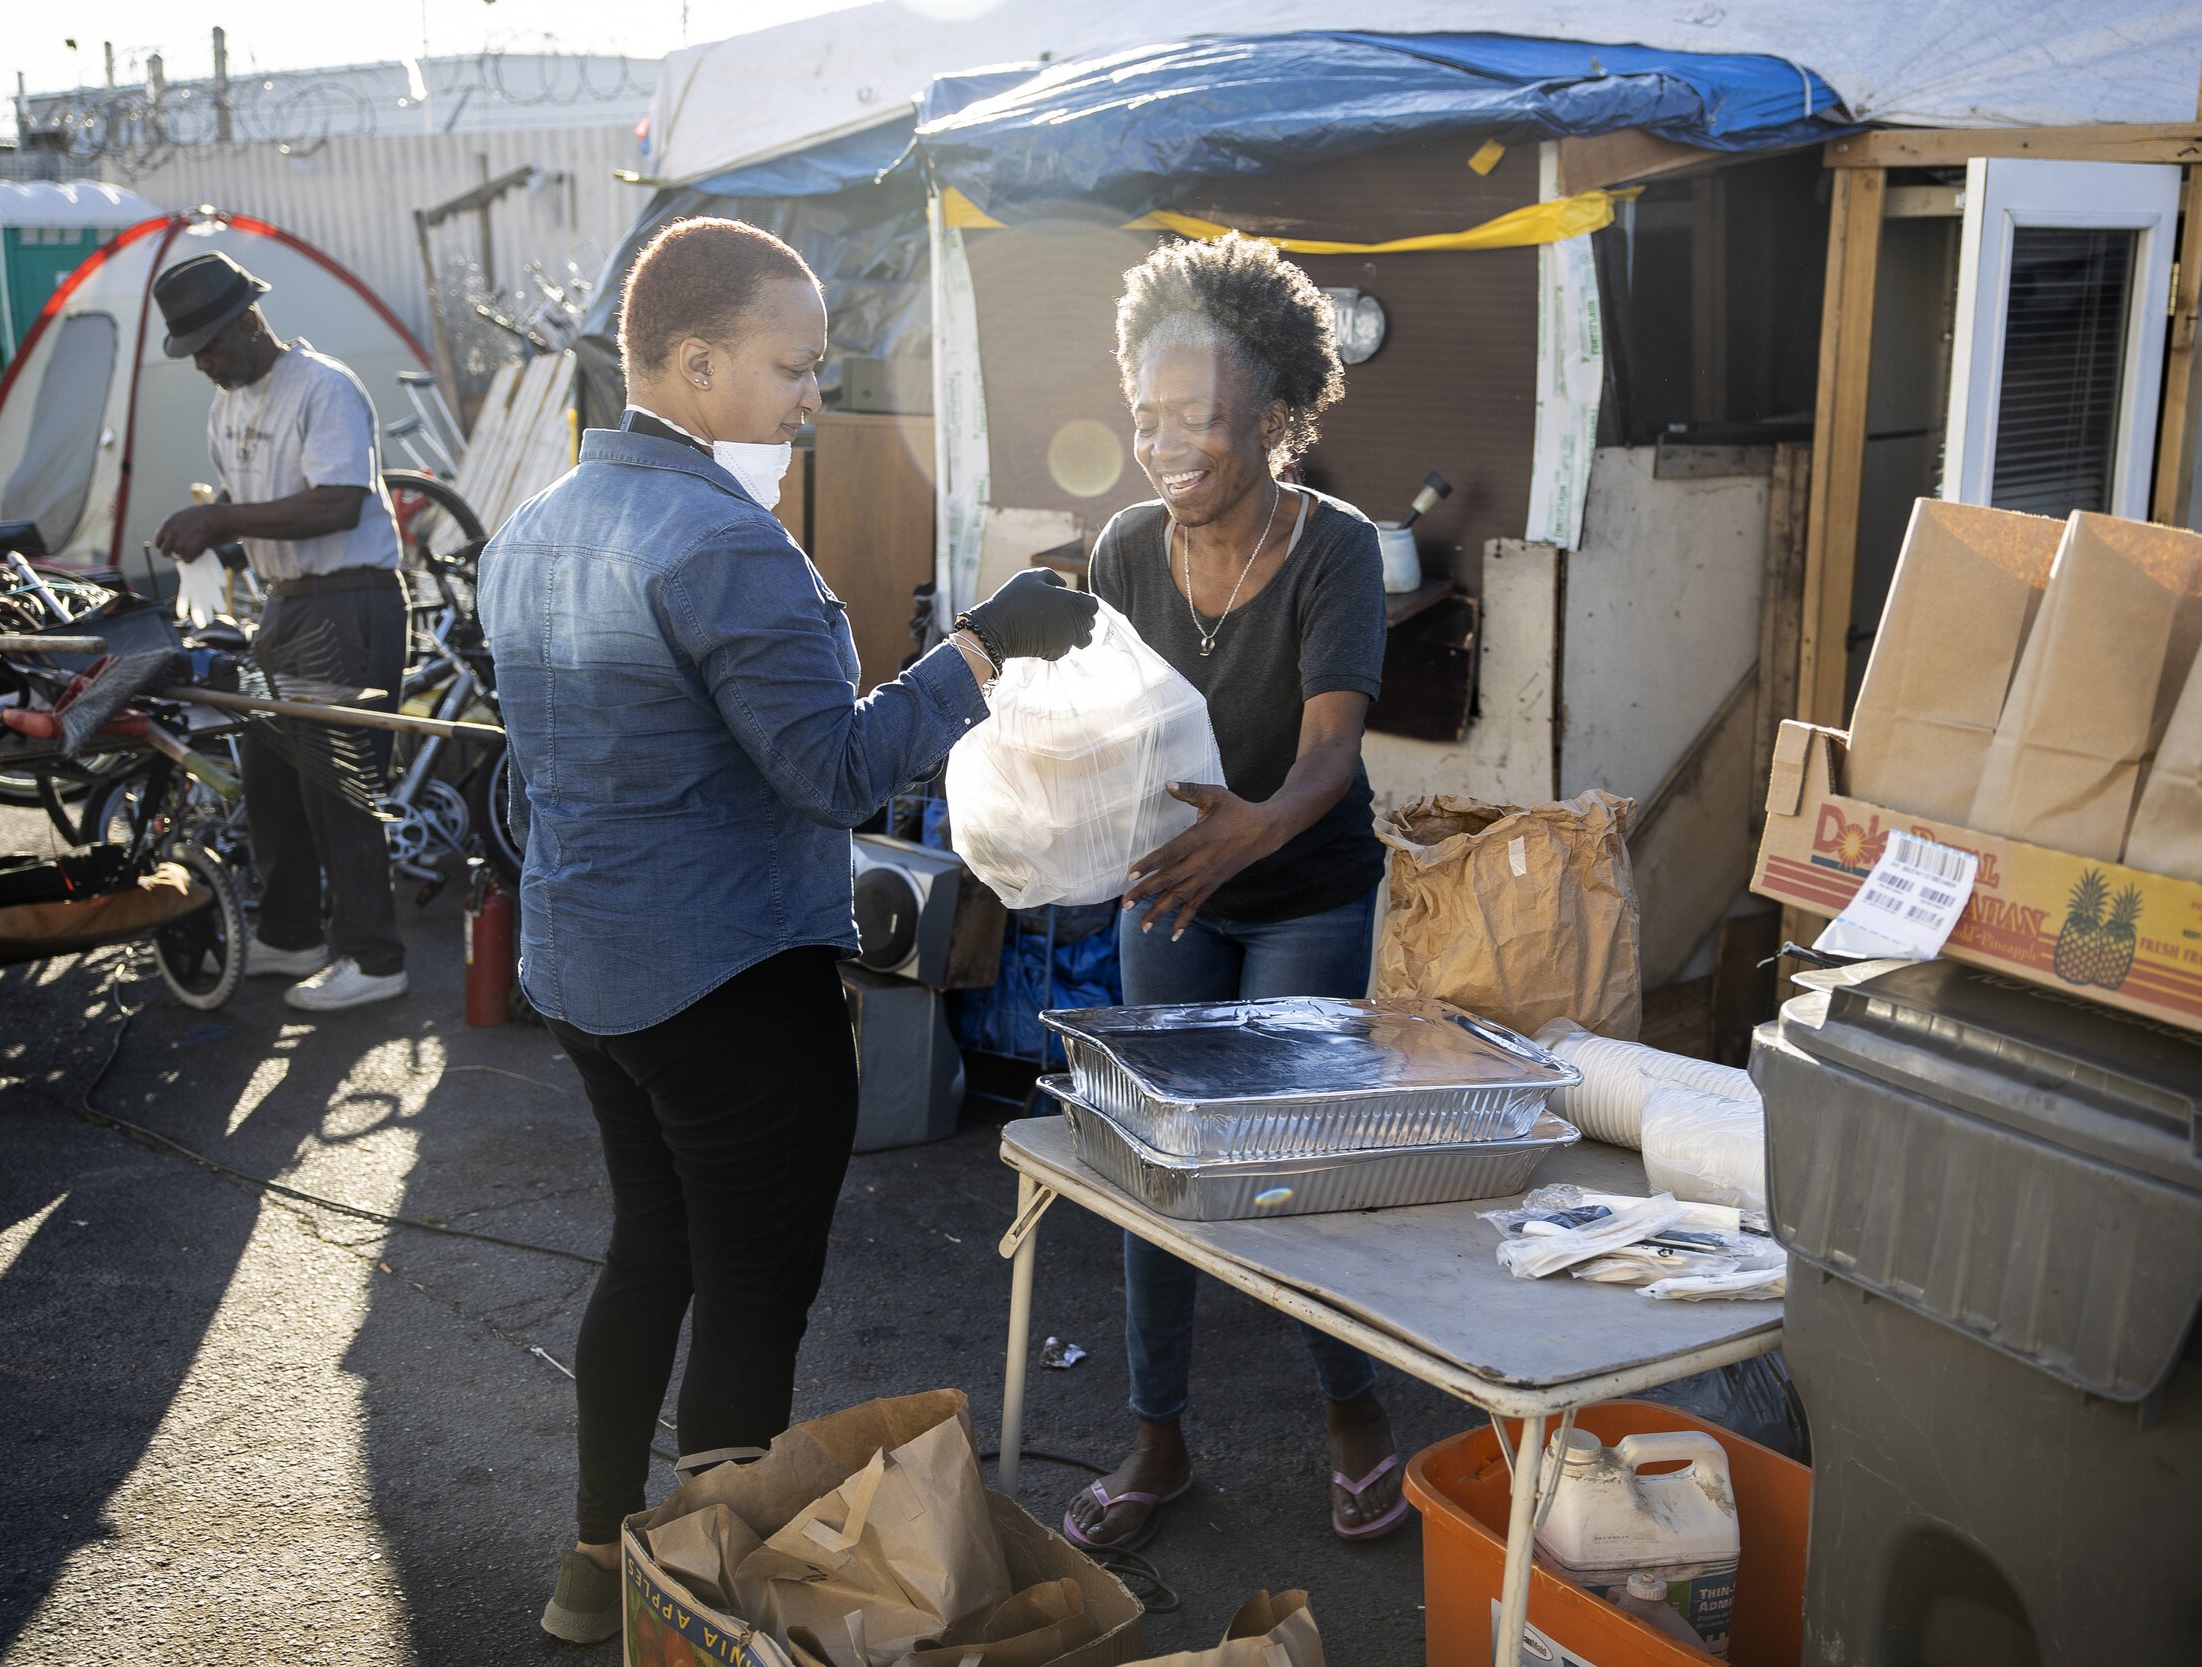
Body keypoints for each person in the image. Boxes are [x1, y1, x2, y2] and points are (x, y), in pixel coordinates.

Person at [478, 217, 1097, 1644]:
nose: (814, 397)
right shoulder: (722, 541)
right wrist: (982, 647)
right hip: (730, 983)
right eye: (793, 367)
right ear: (695, 365)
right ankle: (697, 1613)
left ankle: (593, 1572)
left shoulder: (537, 523)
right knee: (752, 1292)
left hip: (587, 972)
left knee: (652, 1251)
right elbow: (832, 769)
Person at [1064, 233, 1405, 1551]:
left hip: (1306, 887)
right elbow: (1105, 725)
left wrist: (1254, 826)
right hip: (1173, 893)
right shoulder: (1128, 549)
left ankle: (1356, 1416)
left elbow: (1332, 748)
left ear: (1272, 419)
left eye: (1197, 420)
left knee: (1289, 1165)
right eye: (1148, 420)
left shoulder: (1337, 550)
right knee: (1162, 1157)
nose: (1166, 446)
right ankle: (1157, 1441)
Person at [151, 251, 409, 1013]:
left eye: (211, 345)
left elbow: (336, 503)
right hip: (287, 603)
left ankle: (375, 956)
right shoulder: (225, 404)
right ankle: (292, 934)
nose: (203, 363)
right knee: (270, 780)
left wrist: (222, 517)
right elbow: (253, 505)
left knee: (339, 786)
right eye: (191, 351)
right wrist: (212, 539)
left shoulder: (324, 386)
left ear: (250, 320)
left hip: (350, 599)